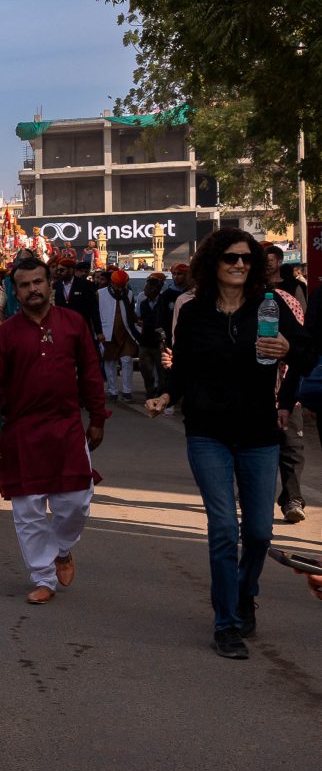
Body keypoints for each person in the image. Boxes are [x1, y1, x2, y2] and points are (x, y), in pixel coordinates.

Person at [147, 225, 290, 657]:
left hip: (260, 433)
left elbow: (304, 352)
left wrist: (288, 350)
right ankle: (226, 622)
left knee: (261, 533)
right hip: (208, 432)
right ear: (214, 263)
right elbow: (183, 368)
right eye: (231, 258)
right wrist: (166, 394)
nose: (240, 265)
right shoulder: (193, 312)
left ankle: (244, 593)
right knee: (225, 528)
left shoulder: (270, 307)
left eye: (247, 259)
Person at [0, 252, 106, 605]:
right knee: (29, 509)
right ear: (16, 292)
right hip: (21, 431)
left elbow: (92, 373)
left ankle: (63, 548)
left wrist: (97, 418)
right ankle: (43, 577)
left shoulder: (73, 324)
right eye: (24, 285)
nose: (32, 289)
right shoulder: (6, 334)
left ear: (50, 285)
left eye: (38, 282)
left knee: (76, 502)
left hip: (66, 427)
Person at [264, 245, 307, 523]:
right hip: (249, 392)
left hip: (286, 384)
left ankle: (292, 498)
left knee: (291, 444)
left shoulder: (288, 294)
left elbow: (303, 344)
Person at [97, 268, 140, 402]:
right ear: (112, 283)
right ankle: (113, 391)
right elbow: (96, 315)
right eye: (117, 285)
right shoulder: (100, 293)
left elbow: (131, 312)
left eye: (122, 285)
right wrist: (98, 333)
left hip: (126, 332)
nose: (119, 288)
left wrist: (138, 320)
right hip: (108, 333)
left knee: (127, 360)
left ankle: (127, 391)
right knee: (110, 362)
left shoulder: (129, 294)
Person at [136, 271, 174, 400]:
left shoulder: (163, 301)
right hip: (145, 342)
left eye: (150, 288)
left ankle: (162, 395)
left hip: (159, 343)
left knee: (162, 371)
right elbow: (140, 319)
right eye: (146, 287)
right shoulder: (143, 303)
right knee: (145, 370)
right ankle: (150, 392)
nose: (147, 290)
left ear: (157, 289)